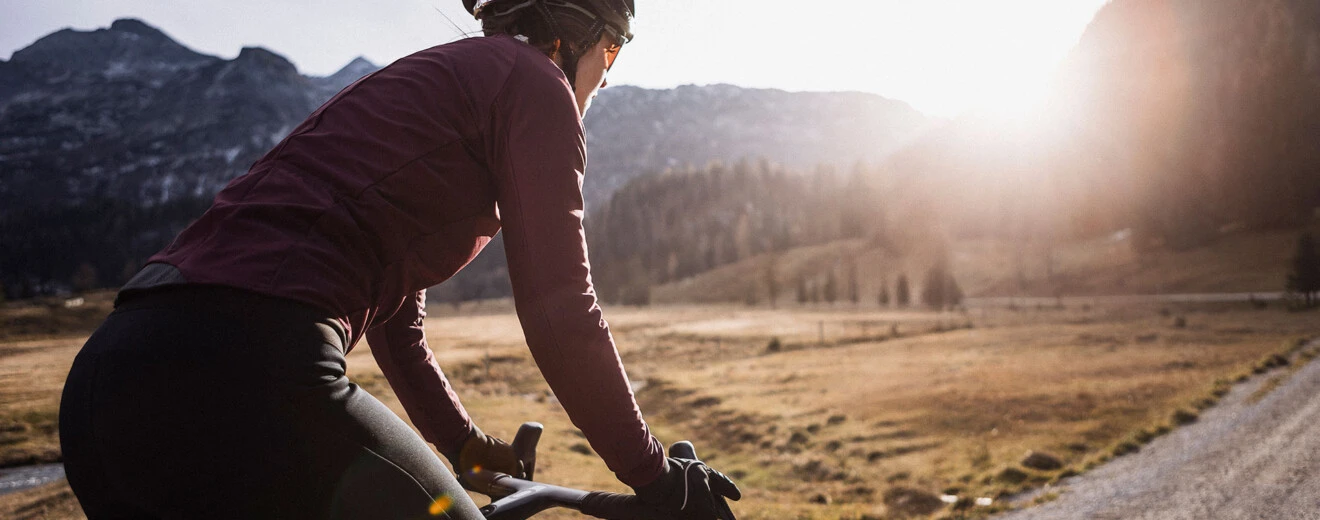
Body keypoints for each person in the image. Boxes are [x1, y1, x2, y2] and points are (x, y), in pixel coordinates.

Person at [57, 0, 740, 518]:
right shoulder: (536, 83)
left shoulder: (434, 81)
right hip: (243, 369)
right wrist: (659, 480)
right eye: (612, 55)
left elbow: (396, 327)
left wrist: (464, 445)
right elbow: (559, 307)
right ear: (588, 40)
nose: (604, 81)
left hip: (110, 378)